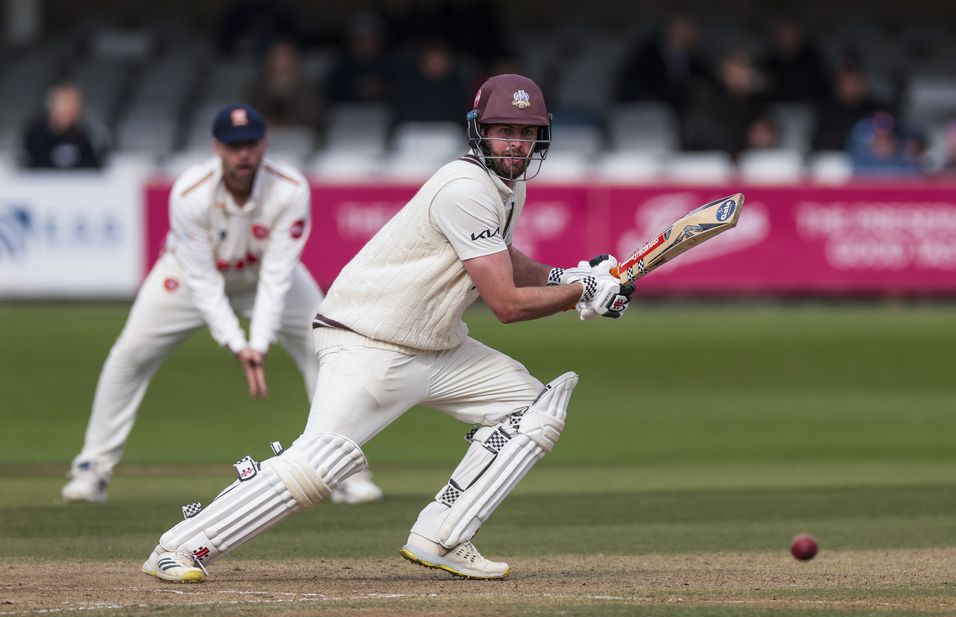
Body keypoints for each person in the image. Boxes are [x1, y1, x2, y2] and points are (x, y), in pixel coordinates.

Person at [141, 74, 634, 583]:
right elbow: (505, 303)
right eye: (503, 129)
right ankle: (178, 547)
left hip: (436, 346)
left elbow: (501, 258)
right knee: (322, 463)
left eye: (526, 132)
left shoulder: (511, 187)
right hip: (368, 340)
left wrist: (567, 276)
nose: (516, 142)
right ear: (478, 131)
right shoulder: (464, 187)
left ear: (542, 136)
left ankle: (441, 535)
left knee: (532, 408)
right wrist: (581, 292)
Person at [61, 104, 382, 507]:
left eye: (250, 144)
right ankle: (92, 470)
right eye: (234, 147)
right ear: (217, 148)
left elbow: (277, 277)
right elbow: (204, 285)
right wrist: (236, 343)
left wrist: (259, 343)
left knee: (330, 348)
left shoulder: (289, 188)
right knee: (129, 355)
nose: (243, 155)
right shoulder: (190, 193)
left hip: (264, 275)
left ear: (264, 144)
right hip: (188, 277)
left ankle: (347, 472)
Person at [22, 82, 105, 169]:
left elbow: (93, 166)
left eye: (75, 102)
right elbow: (30, 164)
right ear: (53, 104)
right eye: (67, 102)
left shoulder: (85, 135)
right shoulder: (36, 134)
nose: (72, 107)